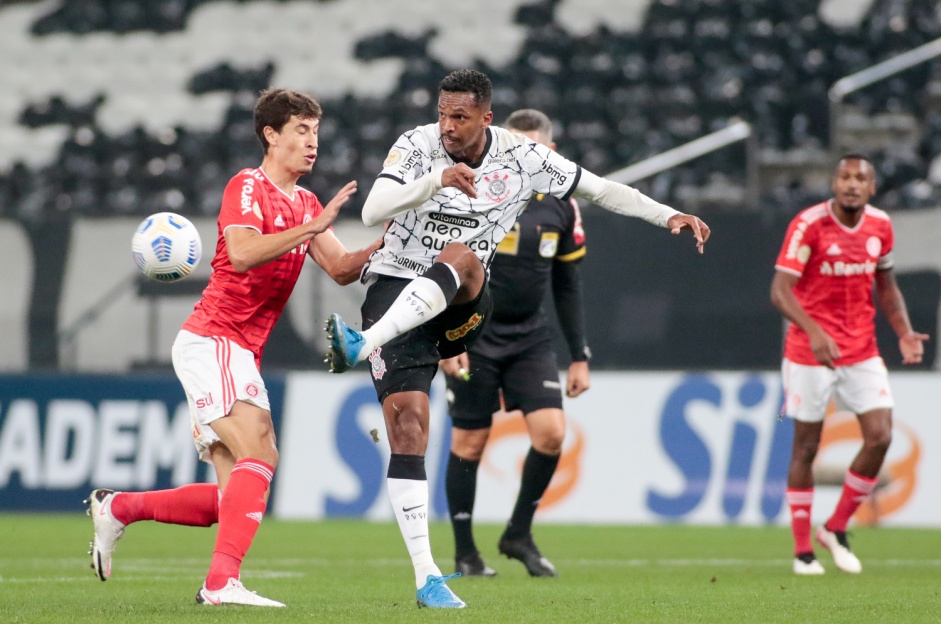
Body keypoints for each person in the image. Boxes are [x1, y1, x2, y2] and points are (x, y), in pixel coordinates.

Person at [324, 69, 710, 609]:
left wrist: (667, 215)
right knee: (408, 426)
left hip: (464, 306)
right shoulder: (416, 145)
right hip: (395, 286)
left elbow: (601, 190)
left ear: (486, 117)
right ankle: (427, 577)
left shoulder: (524, 157)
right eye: (442, 113)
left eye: (459, 116)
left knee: (461, 257)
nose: (447, 126)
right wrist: (436, 180)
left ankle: (363, 344)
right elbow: (372, 211)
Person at [85, 88, 380, 607]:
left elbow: (340, 268)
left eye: (316, 132)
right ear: (271, 135)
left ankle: (119, 507)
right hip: (215, 338)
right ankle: (220, 585)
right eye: (301, 131)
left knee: (235, 497)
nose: (313, 143)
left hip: (238, 349)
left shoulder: (306, 201)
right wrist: (309, 227)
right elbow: (241, 254)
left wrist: (394, 241)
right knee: (261, 450)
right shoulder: (248, 185)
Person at [438, 108, 590, 579]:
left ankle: (517, 533)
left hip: (529, 336)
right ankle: (465, 553)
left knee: (551, 433)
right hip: (472, 333)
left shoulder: (563, 204)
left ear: (551, 152)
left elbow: (566, 283)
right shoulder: (475, 191)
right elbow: (444, 265)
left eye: (533, 148)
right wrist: (447, 336)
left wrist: (579, 355)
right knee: (470, 441)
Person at [770, 153, 929, 576]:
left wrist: (905, 332)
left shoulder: (880, 225)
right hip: (809, 351)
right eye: (845, 177)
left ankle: (836, 527)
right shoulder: (809, 225)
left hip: (861, 349)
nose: (852, 184)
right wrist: (815, 332)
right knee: (806, 446)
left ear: (872, 187)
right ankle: (803, 550)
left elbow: (887, 288)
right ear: (834, 183)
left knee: (880, 437)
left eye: (861, 178)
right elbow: (780, 292)